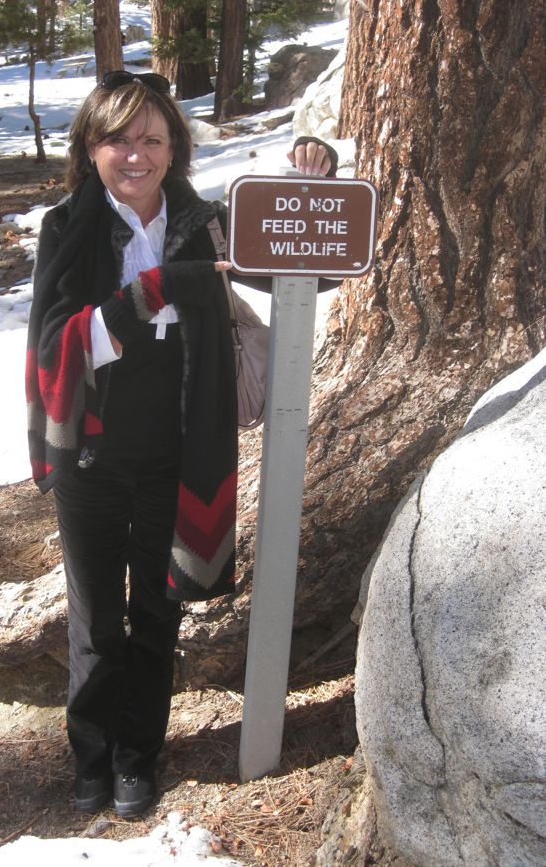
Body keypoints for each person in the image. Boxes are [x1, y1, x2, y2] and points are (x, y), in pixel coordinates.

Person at [25, 69, 338, 819]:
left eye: (152, 139)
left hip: (178, 453)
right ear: (90, 149)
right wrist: (159, 289)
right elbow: (59, 348)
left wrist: (308, 183)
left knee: (159, 614)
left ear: (175, 148)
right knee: (97, 620)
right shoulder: (68, 228)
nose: (136, 155)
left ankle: (139, 757)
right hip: (93, 460)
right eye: (119, 140)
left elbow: (309, 273)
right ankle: (92, 755)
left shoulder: (203, 221)